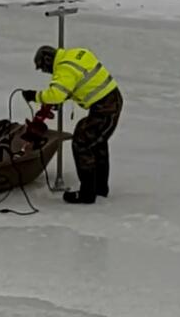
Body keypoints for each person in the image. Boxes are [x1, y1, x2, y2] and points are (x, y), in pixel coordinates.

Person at [22, 44, 123, 204]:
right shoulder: (76, 54)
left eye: (43, 68)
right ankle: (100, 188)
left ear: (48, 61)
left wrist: (34, 96)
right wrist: (65, 96)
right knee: (97, 143)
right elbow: (80, 81)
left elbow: (55, 94)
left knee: (82, 142)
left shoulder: (64, 69)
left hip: (105, 108)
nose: (45, 72)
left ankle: (87, 194)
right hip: (110, 100)